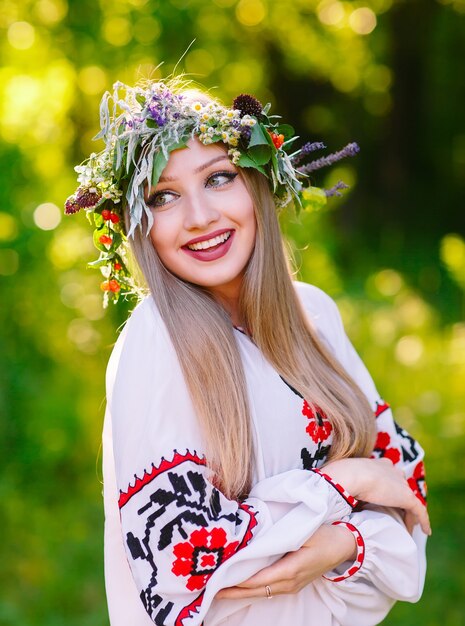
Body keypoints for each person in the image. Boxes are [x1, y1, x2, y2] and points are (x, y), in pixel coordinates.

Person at [65, 76, 430, 626]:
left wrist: (344, 543)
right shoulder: (157, 343)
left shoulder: (316, 318)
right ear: (140, 226)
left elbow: (407, 495)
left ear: (257, 184)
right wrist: (345, 485)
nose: (200, 217)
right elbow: (184, 566)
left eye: (219, 178)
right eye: (163, 196)